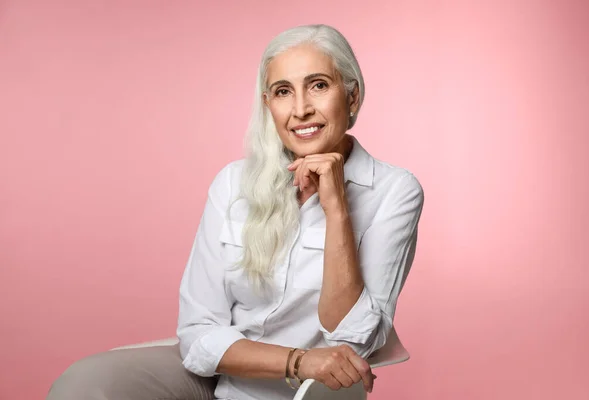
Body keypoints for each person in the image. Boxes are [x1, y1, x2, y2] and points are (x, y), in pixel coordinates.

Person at [47, 23, 424, 400]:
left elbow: (353, 342)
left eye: (319, 85)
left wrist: (337, 209)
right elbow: (198, 330)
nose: (301, 109)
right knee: (81, 387)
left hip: (312, 395)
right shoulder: (232, 184)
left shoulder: (394, 192)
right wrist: (298, 360)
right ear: (268, 105)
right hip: (222, 384)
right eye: (282, 92)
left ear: (353, 96)